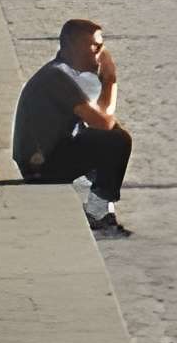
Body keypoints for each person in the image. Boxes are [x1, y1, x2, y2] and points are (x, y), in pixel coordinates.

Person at [11, 18, 132, 235]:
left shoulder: (65, 73)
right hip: (39, 167)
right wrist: (110, 77)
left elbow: (102, 117)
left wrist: (108, 81)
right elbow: (104, 122)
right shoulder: (56, 77)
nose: (102, 52)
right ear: (74, 47)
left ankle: (101, 209)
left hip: (50, 154)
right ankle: (97, 214)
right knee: (117, 140)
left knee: (110, 136)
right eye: (96, 46)